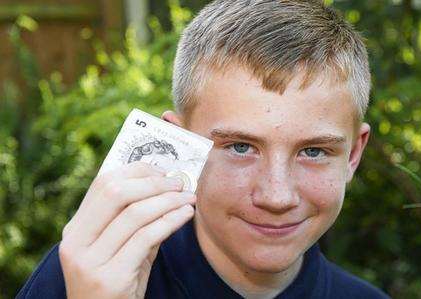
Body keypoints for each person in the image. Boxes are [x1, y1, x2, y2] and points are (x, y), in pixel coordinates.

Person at [17, 0, 390, 298]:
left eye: (313, 152)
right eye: (240, 146)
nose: (277, 196)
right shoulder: (82, 276)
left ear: (353, 155)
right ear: (179, 145)